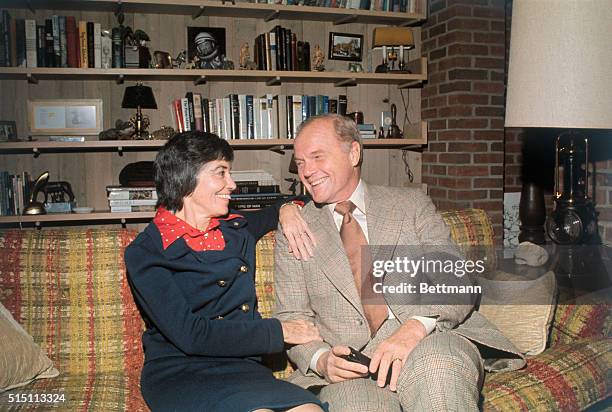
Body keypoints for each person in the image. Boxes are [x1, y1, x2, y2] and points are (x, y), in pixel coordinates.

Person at [273, 114, 526, 411]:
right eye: (300, 162)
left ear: (353, 153)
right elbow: (291, 317)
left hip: (429, 337)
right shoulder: (296, 227)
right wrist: (321, 359)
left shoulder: (410, 204)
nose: (307, 171)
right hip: (351, 368)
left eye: (317, 157)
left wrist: (415, 327)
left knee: (437, 368)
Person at [125, 131, 325, 412]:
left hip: (242, 366)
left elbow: (286, 204)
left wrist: (288, 210)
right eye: (221, 173)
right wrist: (280, 331)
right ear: (186, 179)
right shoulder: (146, 251)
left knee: (310, 410)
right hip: (181, 373)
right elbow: (190, 334)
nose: (232, 184)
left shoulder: (236, 227)